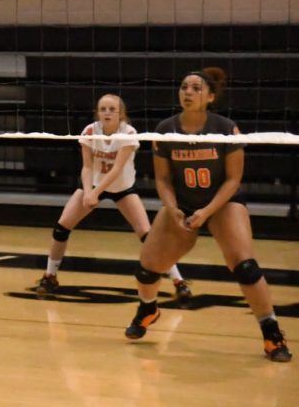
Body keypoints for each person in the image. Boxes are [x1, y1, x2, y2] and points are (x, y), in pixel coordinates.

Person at [124, 68, 291, 363]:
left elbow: (233, 179)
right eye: (184, 87)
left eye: (196, 88)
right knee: (147, 267)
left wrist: (208, 211)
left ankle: (272, 333)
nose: (187, 92)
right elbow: (162, 179)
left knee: (245, 267)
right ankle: (148, 308)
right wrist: (173, 208)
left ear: (210, 97)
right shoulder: (165, 130)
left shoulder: (226, 128)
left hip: (222, 203)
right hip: (182, 202)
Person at [35, 94, 191, 303]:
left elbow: (117, 169)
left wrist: (95, 192)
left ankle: (179, 282)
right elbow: (87, 166)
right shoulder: (90, 131)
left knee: (148, 237)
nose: (107, 113)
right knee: (61, 228)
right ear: (97, 112)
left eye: (112, 109)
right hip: (92, 186)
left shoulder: (128, 133)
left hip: (123, 188)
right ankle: (50, 276)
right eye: (103, 109)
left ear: (121, 113)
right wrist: (89, 191)